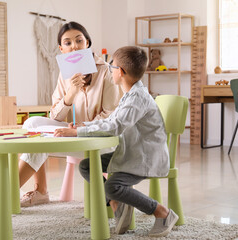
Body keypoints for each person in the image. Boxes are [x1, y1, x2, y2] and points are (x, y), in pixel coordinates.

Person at [0, 21, 123, 216]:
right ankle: (40, 190)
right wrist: (71, 94)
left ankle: (4, 196)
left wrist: (80, 127)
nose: (74, 46)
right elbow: (55, 115)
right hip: (72, 136)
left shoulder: (106, 72)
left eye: (79, 40)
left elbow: (110, 115)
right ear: (61, 48)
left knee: (39, 137)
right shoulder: (65, 74)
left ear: (87, 43)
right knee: (32, 124)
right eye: (67, 43)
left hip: (97, 140)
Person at [54, 46, 178, 237]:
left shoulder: (137, 98)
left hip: (145, 158)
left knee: (113, 186)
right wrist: (82, 125)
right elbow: (112, 121)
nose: (109, 69)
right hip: (132, 152)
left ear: (120, 72)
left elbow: (115, 127)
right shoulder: (129, 94)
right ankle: (116, 203)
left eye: (111, 66)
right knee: (87, 166)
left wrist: (77, 131)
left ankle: (163, 213)